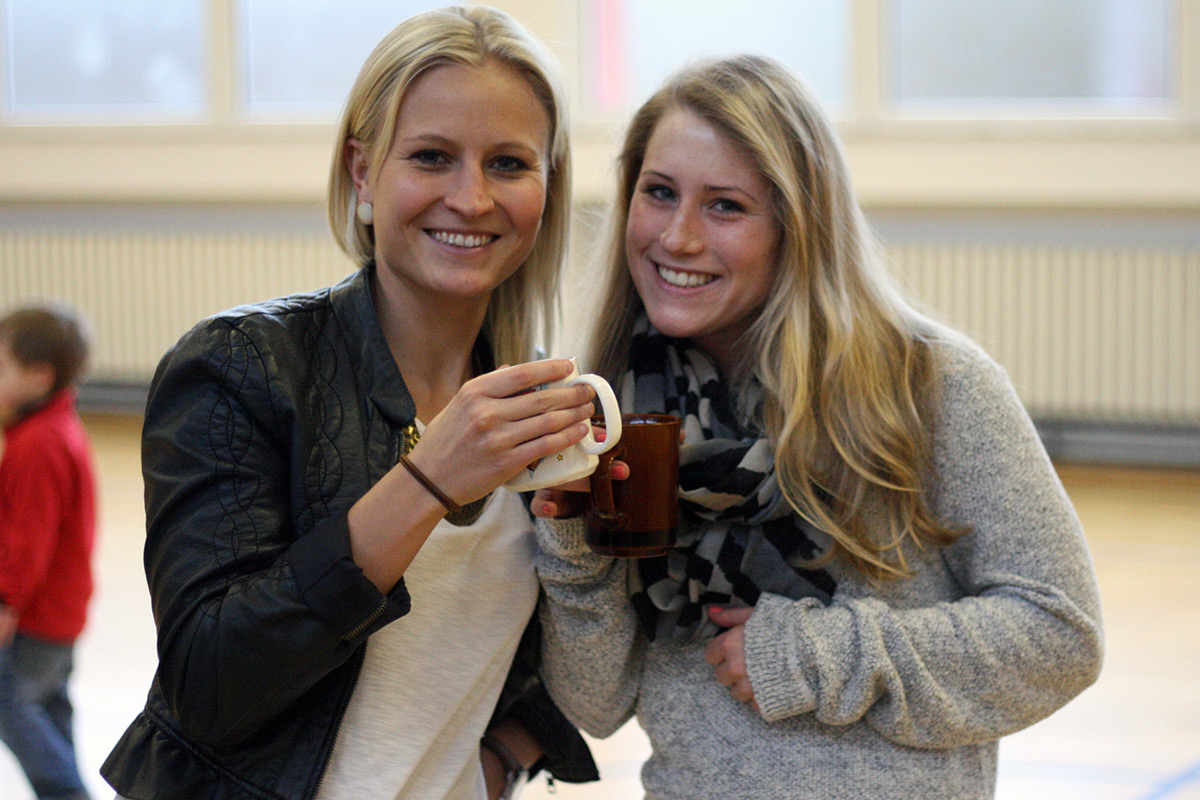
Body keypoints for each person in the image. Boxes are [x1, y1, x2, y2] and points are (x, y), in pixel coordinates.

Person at [532, 55, 1104, 800]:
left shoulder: (928, 384)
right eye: (660, 193)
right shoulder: (613, 409)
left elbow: (1061, 636)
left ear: (798, 226)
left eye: (725, 206)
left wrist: (814, 653)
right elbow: (596, 704)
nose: (676, 237)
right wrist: (574, 543)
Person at [101, 6, 600, 800]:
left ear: (549, 185)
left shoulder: (537, 403)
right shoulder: (242, 365)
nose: (471, 199)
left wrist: (501, 756)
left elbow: (577, 657)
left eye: (508, 164)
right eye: (432, 157)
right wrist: (426, 482)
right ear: (364, 173)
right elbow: (209, 684)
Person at [0, 303, 97, 800]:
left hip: (35, 617)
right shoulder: (54, 429)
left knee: (11, 705)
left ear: (38, 377)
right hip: (60, 615)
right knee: (48, 707)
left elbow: (26, 542)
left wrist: (4, 601)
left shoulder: (37, 446)